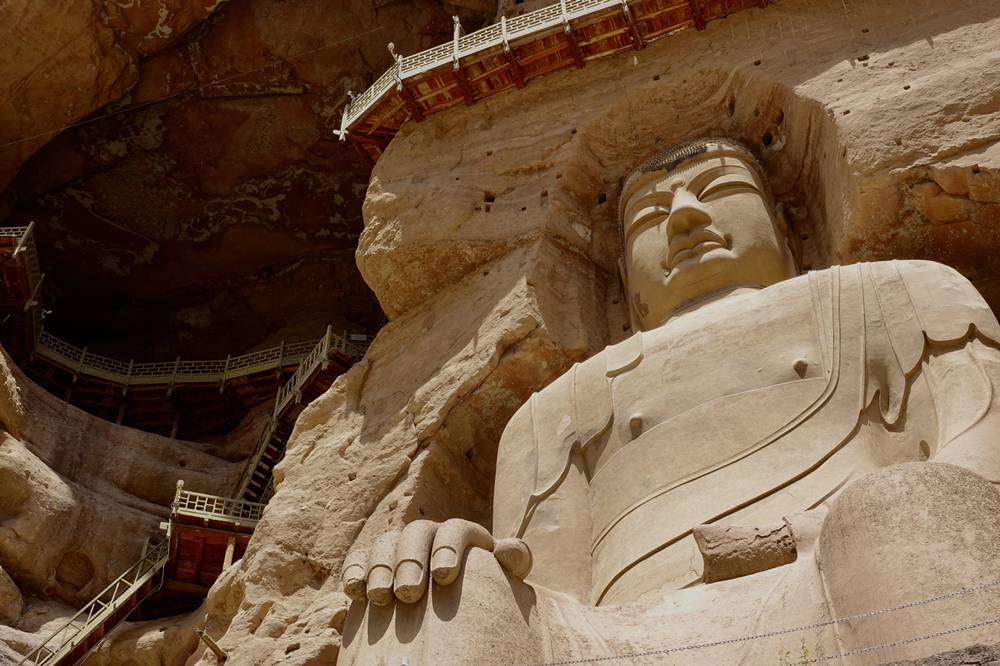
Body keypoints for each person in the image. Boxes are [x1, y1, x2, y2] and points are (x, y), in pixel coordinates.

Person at [339, 138, 1000, 666]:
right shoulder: (556, 408)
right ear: (626, 284)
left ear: (785, 229)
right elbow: (543, 588)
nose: (684, 216)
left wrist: (827, 527)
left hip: (849, 577)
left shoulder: (894, 292)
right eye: (650, 218)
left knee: (910, 503)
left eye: (719, 189)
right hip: (620, 638)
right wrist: (460, 560)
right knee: (429, 586)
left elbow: (982, 452)